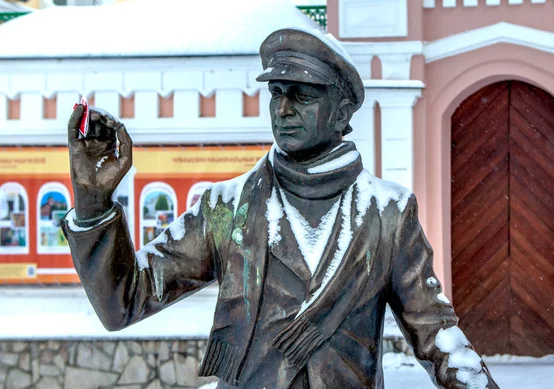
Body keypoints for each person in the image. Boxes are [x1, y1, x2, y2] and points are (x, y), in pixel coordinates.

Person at [61, 28, 499, 389]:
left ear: (343, 111)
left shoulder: (387, 213)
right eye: (277, 93)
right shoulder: (225, 209)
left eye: (303, 94)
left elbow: (435, 334)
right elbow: (123, 302)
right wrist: (93, 201)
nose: (284, 109)